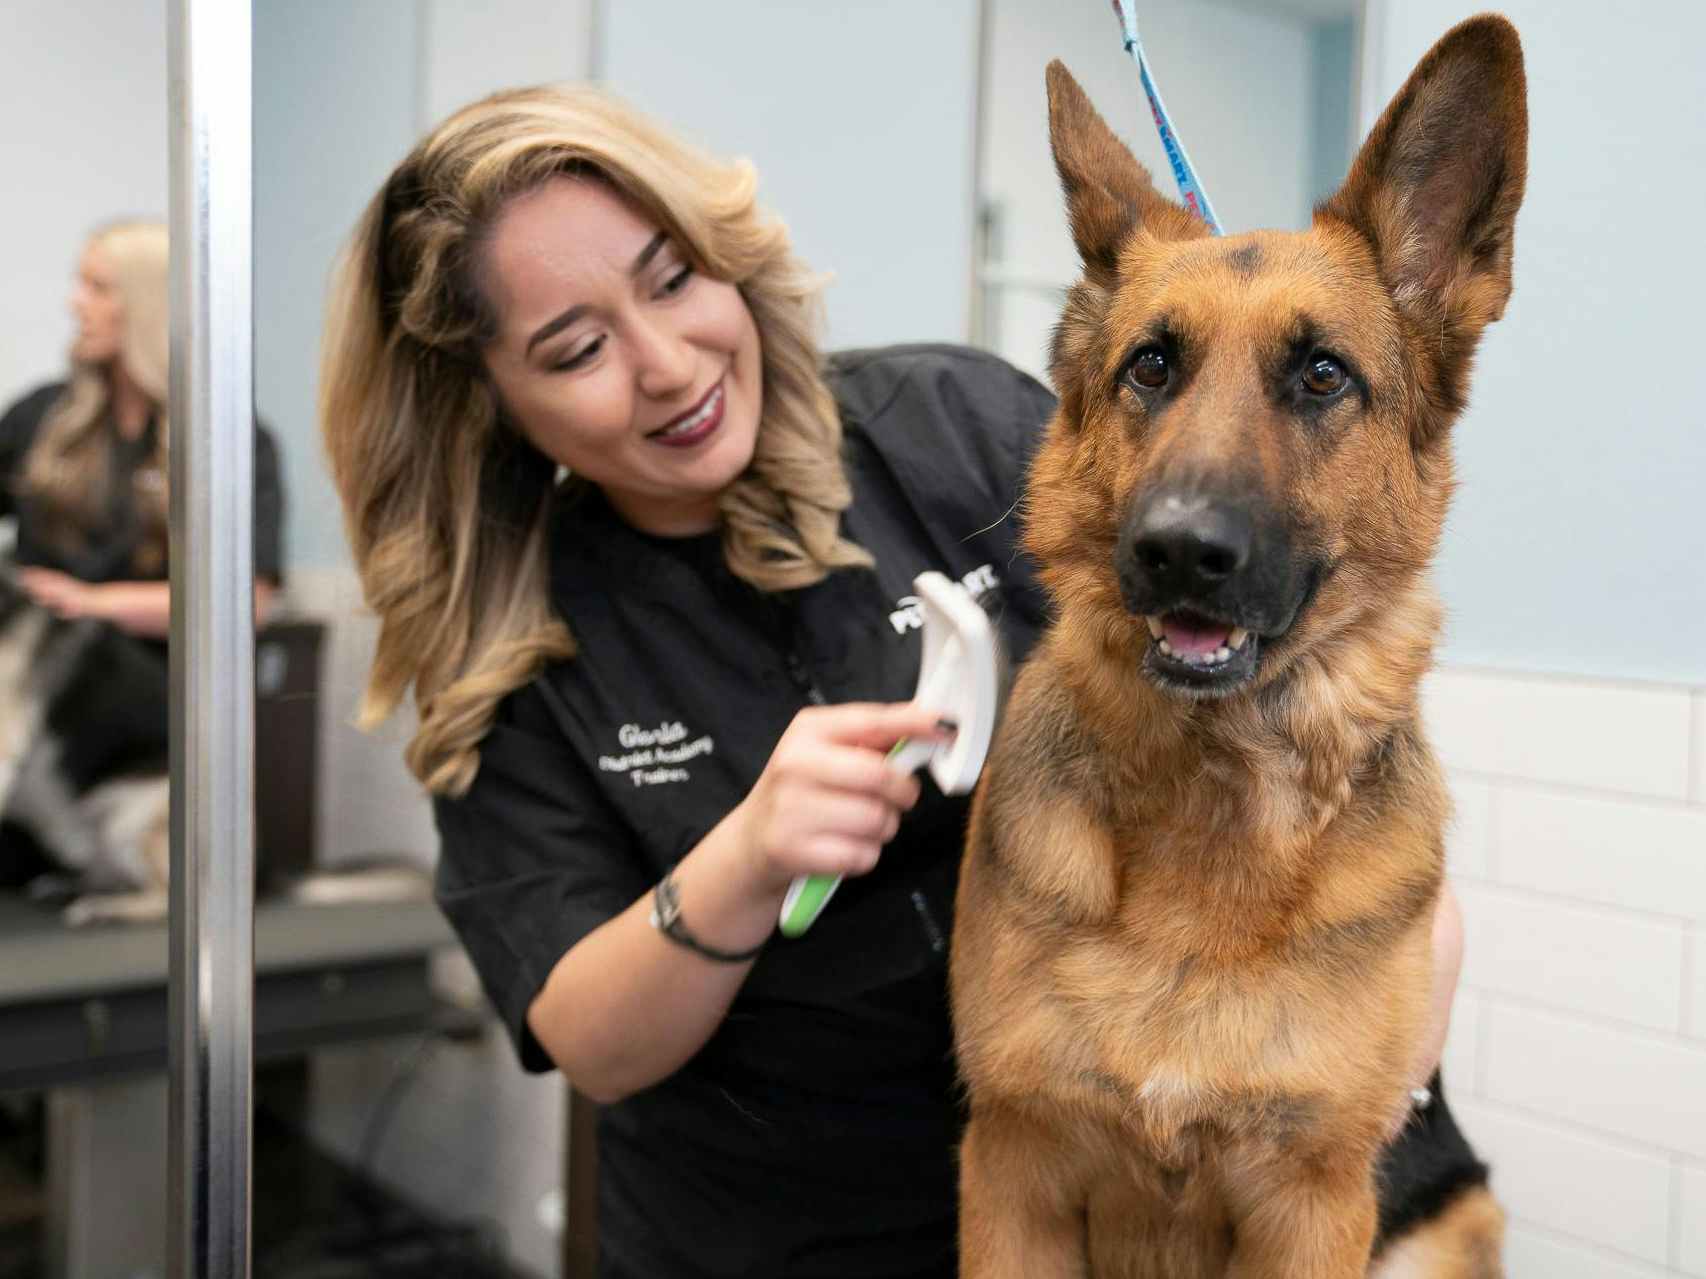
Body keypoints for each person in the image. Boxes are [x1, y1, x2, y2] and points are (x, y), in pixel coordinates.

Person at [320, 87, 1468, 1279]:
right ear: (488, 398)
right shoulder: (512, 633)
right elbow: (588, 1039)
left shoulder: (950, 425)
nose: (665, 365)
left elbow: (1287, 667)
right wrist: (746, 859)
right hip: (770, 1239)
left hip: (1093, 1225)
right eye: (576, 348)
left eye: (670, 281)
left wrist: (1394, 1009)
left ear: (725, 259)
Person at [0, 220, 284, 637]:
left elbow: (250, 601)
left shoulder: (228, 440)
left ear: (149, 302)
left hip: (155, 687)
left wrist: (87, 602)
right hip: (39, 685)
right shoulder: (40, 415)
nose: (75, 303)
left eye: (97, 287)